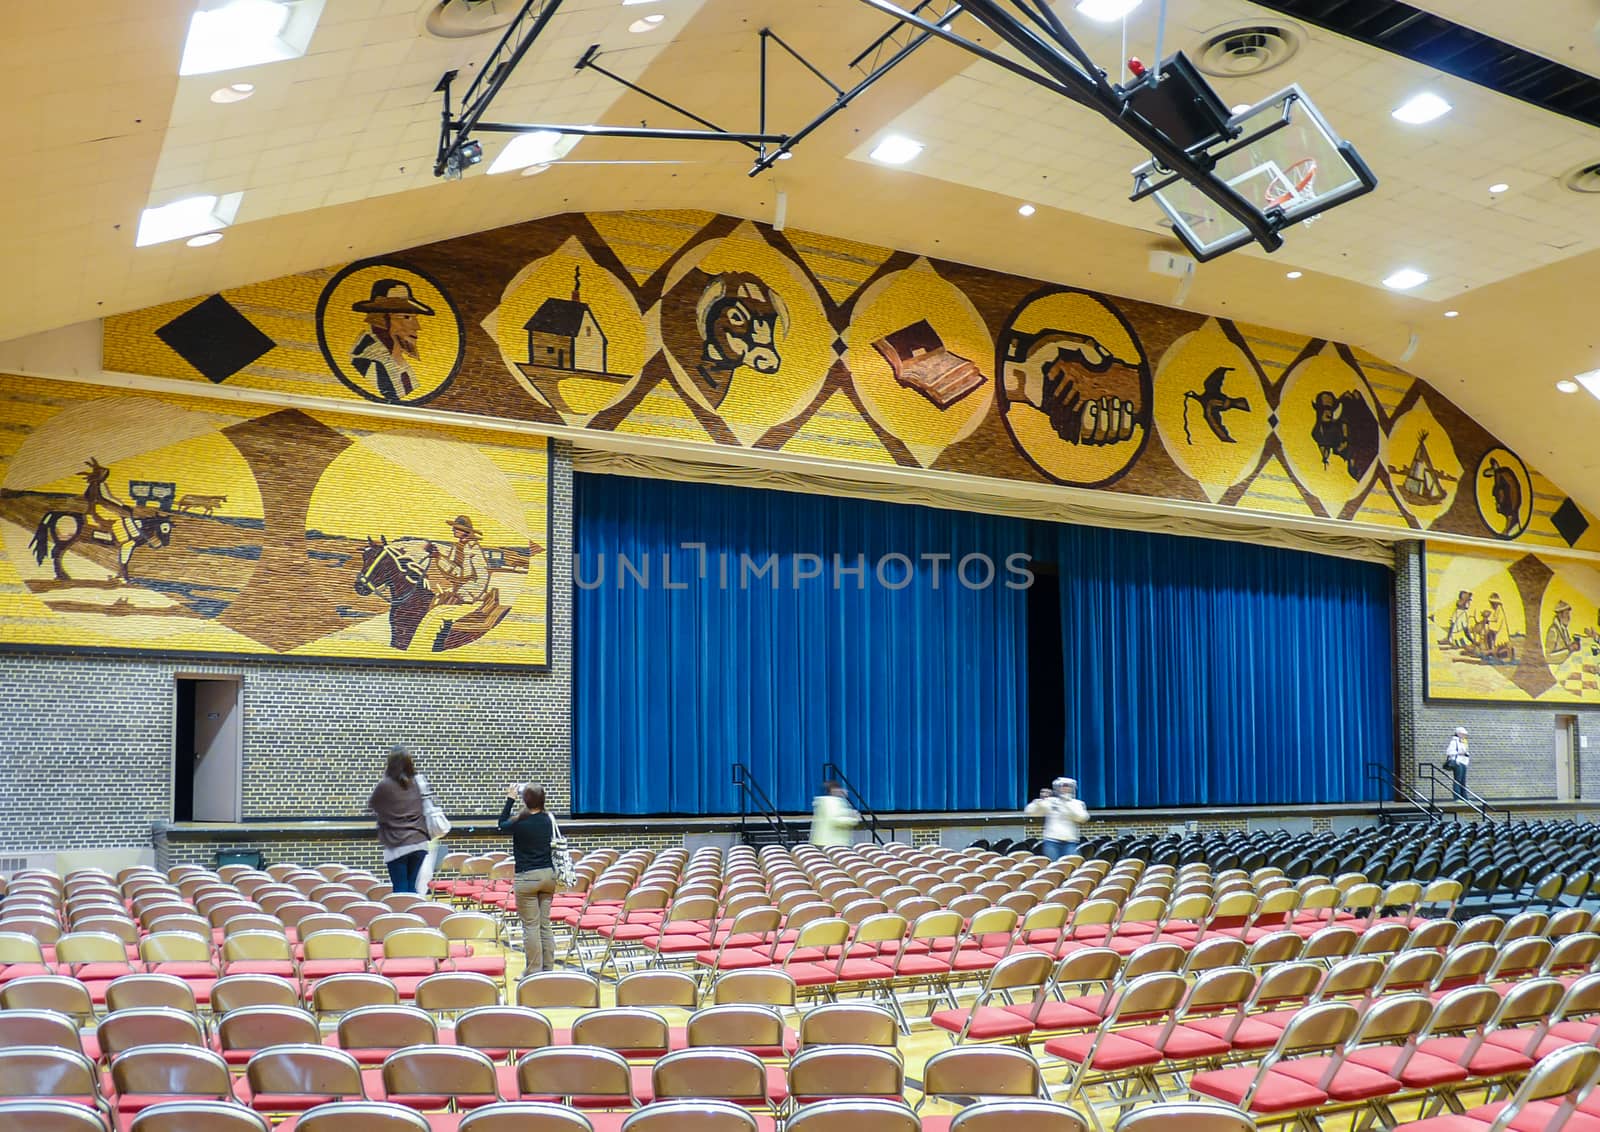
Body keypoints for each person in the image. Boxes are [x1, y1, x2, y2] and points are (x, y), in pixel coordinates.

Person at [499, 782, 557, 973]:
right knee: (545, 924)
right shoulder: (549, 819)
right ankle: (548, 968)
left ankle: (533, 971)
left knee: (531, 926)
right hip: (548, 875)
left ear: (525, 800)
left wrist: (510, 798)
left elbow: (501, 824)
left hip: (527, 877)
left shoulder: (520, 822)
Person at [368, 747, 429, 894]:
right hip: (419, 841)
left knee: (400, 888)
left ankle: (401, 916)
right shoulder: (418, 783)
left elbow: (372, 806)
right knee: (411, 887)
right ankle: (413, 915)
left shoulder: (385, 785)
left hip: (397, 843)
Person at [1026, 777, 1091, 861]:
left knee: (1071, 866)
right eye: (1062, 786)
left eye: (1067, 786)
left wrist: (1066, 805)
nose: (1065, 789)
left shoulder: (1077, 803)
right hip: (1051, 842)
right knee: (1054, 868)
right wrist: (1039, 803)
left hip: (1070, 842)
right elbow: (1030, 812)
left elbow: (1082, 818)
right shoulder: (1051, 802)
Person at [810, 781, 859, 848]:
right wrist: (853, 819)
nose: (843, 791)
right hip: (831, 842)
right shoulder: (831, 801)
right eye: (840, 789)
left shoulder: (832, 801)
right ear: (833, 790)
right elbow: (835, 820)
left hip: (829, 841)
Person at [1444, 727, 1470, 800]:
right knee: (1458, 780)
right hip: (1458, 762)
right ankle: (1457, 797)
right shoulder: (1454, 742)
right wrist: (1459, 753)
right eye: (1463, 734)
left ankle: (1465, 797)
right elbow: (1449, 752)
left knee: (1463, 781)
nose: (1464, 735)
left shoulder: (1464, 742)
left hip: (1464, 762)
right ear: (1458, 733)